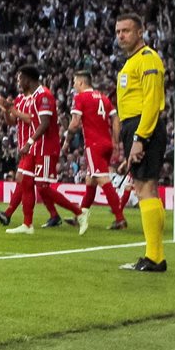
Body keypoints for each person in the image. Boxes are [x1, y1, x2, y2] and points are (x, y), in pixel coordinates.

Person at [0, 65, 89, 234]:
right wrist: (7, 110)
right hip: (33, 147)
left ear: (27, 80)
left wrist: (29, 141)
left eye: (20, 79)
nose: (18, 82)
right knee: (26, 182)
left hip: (45, 147)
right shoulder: (25, 97)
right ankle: (27, 224)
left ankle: (79, 213)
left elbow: (43, 123)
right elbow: (13, 121)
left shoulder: (44, 95)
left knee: (43, 187)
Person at [113, 13, 168, 272]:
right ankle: (155, 254)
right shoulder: (131, 62)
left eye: (126, 30)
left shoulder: (148, 59)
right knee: (146, 188)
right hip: (134, 128)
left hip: (143, 127)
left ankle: (155, 257)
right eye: (118, 31)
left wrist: (140, 138)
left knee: (146, 188)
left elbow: (151, 102)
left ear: (140, 32)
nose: (121, 35)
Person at [66, 69, 127, 230]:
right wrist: (114, 141)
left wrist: (66, 139)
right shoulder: (104, 98)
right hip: (106, 143)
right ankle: (80, 215)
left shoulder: (80, 98)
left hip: (93, 145)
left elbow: (74, 123)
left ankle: (120, 218)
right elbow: (115, 119)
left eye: (74, 82)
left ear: (81, 82)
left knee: (102, 179)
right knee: (90, 181)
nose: (73, 86)